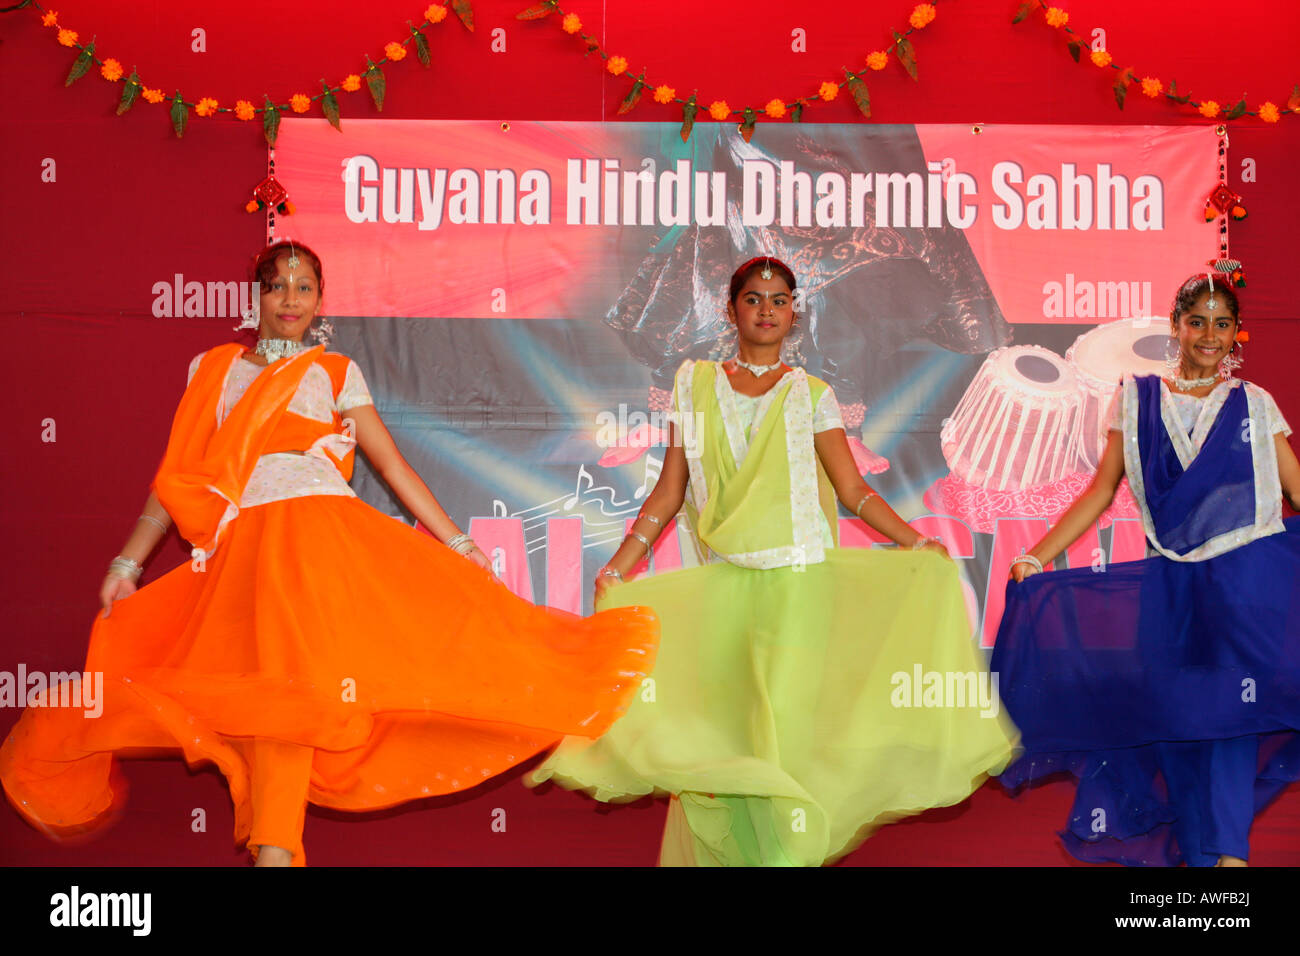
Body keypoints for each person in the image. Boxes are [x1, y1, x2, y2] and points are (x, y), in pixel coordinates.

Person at [0, 240, 659, 866]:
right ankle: (275, 848)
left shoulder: (335, 372)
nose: (290, 297)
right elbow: (175, 482)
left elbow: (393, 468)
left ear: (321, 300)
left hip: (318, 548)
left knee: (298, 698)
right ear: (255, 294)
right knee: (264, 705)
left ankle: (276, 852)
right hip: (244, 560)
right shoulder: (211, 370)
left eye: (305, 286)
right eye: (277, 285)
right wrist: (127, 564)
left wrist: (457, 540)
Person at [529, 256, 1017, 866]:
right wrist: (621, 565)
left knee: (784, 743)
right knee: (731, 742)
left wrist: (913, 539)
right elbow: (669, 490)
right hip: (725, 590)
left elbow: (855, 493)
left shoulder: (812, 394)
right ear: (730, 310)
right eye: (754, 298)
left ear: (794, 314)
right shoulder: (694, 384)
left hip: (799, 587)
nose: (767, 310)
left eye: (780, 300)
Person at [994, 272, 1300, 866]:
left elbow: (1294, 485)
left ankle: (1231, 858)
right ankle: (1202, 860)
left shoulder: (1254, 404)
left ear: (1237, 333)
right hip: (1172, 591)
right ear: (1176, 326)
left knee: (1236, 719)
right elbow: (1098, 491)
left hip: (1247, 588)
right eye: (1197, 322)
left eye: (1222, 323)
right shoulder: (1136, 398)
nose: (1209, 335)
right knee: (1177, 724)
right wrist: (1037, 552)